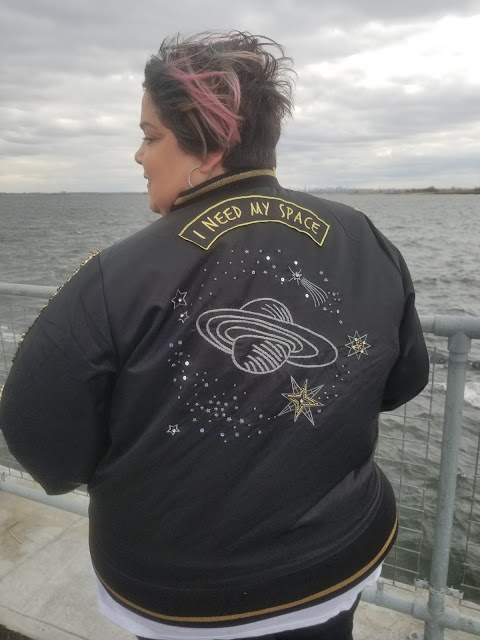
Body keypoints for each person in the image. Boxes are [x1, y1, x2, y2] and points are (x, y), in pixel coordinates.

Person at [0, 32, 429, 640]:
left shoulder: (115, 275)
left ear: (209, 145)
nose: (138, 156)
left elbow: (38, 435)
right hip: (340, 560)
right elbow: (403, 379)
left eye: (151, 136)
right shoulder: (363, 236)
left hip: (183, 595)